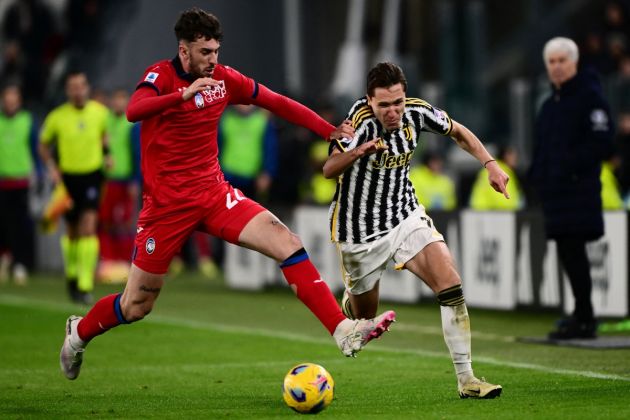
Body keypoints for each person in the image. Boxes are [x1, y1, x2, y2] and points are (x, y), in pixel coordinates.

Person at [59, 7, 395, 381]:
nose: (213, 60)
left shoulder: (223, 79)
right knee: (136, 304)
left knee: (286, 241)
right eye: (205, 52)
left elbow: (274, 101)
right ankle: (79, 332)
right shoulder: (161, 76)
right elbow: (134, 111)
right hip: (167, 209)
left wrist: (326, 129)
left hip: (215, 195)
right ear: (184, 51)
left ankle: (342, 330)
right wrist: (181, 96)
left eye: (216, 51)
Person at [324, 62, 507, 399]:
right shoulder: (358, 122)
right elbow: (328, 168)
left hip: (405, 215)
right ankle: (352, 305)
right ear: (369, 101)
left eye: (398, 102)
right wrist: (363, 148)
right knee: (365, 315)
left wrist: (490, 165)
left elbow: (459, 132)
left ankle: (467, 380)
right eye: (384, 105)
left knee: (450, 282)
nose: (393, 112)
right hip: (360, 232)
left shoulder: (418, 112)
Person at [529, 37, 614, 339]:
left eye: (561, 60)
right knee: (568, 252)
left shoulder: (589, 96)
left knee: (574, 253)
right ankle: (580, 314)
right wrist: (538, 177)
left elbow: (602, 141)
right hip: (557, 194)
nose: (556, 67)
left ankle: (585, 318)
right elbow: (540, 147)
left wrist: (568, 168)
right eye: (551, 62)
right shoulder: (550, 104)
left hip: (578, 190)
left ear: (574, 62)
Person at [39, 71, 110, 304]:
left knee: (89, 227)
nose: (77, 90)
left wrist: (107, 155)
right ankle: (71, 274)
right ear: (67, 90)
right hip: (67, 179)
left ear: (87, 87)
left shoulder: (100, 112)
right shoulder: (57, 117)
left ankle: (85, 283)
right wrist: (51, 166)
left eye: (81, 85)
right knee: (71, 231)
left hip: (91, 176)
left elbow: (104, 136)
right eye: (73, 86)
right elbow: (43, 144)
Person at [97, 89, 140, 283]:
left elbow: (137, 154)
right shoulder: (104, 122)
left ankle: (125, 263)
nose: (118, 103)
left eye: (122, 100)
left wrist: (134, 180)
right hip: (107, 180)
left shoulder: (132, 124)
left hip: (125, 180)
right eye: (115, 99)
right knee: (105, 221)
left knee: (124, 222)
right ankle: (108, 263)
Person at [0, 84, 37, 284]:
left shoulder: (27, 121)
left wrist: (38, 173)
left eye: (13, 98)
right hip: (2, 182)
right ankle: (5, 260)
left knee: (21, 225)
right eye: (7, 98)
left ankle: (21, 264)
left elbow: (35, 148)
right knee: (3, 226)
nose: (10, 102)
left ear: (19, 101)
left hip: (21, 182)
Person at [469, 145, 524, 210]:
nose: (516, 158)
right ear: (506, 155)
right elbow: (502, 198)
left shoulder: (491, 169)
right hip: (490, 214)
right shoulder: (501, 172)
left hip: (479, 212)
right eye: (512, 155)